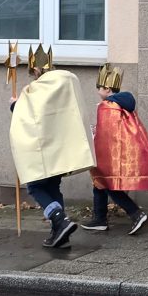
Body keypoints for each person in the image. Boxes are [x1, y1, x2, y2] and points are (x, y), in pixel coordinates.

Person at [9, 44, 94, 248]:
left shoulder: (33, 90)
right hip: (57, 149)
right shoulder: (66, 81)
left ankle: (58, 219)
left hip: (41, 150)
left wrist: (14, 104)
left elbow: (28, 116)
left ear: (36, 70)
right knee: (53, 186)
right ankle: (59, 231)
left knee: (35, 186)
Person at [80, 63, 148, 235]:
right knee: (100, 183)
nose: (98, 92)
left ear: (106, 88)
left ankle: (135, 213)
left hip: (109, 154)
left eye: (99, 89)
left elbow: (107, 134)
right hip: (120, 152)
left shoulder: (107, 106)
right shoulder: (122, 104)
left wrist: (95, 137)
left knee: (107, 183)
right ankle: (99, 219)